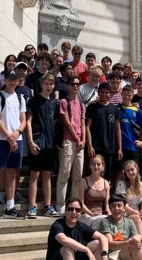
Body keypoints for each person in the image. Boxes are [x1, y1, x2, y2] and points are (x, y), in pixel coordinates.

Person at [0, 69, 26, 220]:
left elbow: (23, 120)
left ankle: (10, 207)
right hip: (2, 140)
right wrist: (9, 137)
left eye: (14, 79)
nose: (12, 81)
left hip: (17, 139)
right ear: (5, 80)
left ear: (18, 81)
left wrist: (17, 134)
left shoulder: (20, 97)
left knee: (12, 173)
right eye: (9, 78)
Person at [26, 73, 60, 218]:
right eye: (46, 84)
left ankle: (48, 206)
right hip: (37, 140)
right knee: (35, 174)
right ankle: (32, 207)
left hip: (51, 143)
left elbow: (57, 123)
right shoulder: (34, 101)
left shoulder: (54, 103)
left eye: (51, 84)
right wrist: (30, 141)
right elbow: (28, 121)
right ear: (41, 84)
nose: (49, 87)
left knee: (47, 174)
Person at [56, 76, 86, 215]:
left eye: (77, 84)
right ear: (68, 85)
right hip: (69, 140)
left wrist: (83, 139)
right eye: (72, 83)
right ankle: (61, 204)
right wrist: (77, 138)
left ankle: (74, 204)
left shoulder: (82, 104)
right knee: (64, 173)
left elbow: (83, 123)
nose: (75, 86)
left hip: (80, 142)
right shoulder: (64, 101)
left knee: (78, 175)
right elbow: (67, 123)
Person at [86, 82, 122, 183]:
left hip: (110, 148)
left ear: (110, 94)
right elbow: (87, 127)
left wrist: (119, 148)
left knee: (107, 175)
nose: (104, 94)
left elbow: (118, 129)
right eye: (102, 92)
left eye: (107, 92)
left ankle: (106, 197)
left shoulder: (114, 109)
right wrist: (89, 146)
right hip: (96, 147)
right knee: (94, 173)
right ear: (98, 93)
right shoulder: (92, 107)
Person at [99, 194, 142, 260]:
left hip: (125, 251)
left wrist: (137, 240)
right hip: (111, 254)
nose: (116, 208)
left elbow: (136, 238)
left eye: (119, 205)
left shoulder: (130, 222)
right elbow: (110, 244)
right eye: (113, 206)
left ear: (124, 208)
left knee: (136, 246)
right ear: (110, 208)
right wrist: (129, 242)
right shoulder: (105, 221)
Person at [116, 160, 142, 240]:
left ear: (137, 169)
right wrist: (137, 213)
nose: (130, 172)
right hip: (125, 213)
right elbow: (123, 205)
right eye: (128, 171)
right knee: (137, 218)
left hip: (138, 212)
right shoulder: (121, 184)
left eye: (132, 170)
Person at [78, 155, 110, 230]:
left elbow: (107, 204)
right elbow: (80, 203)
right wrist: (91, 214)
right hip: (86, 215)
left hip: (101, 215)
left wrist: (109, 213)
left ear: (102, 166)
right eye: (93, 164)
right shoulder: (83, 182)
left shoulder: (106, 183)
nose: (96, 167)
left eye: (98, 164)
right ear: (90, 166)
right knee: (103, 221)